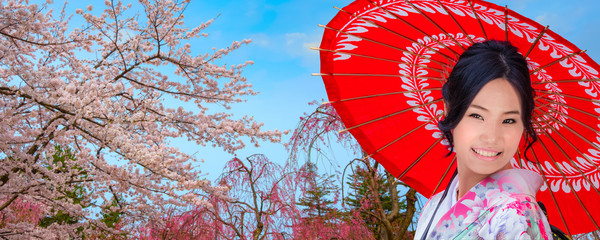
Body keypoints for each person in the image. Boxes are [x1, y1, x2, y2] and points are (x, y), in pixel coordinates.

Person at [413, 40, 553, 239]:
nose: (491, 137)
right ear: (448, 109)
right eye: (477, 116)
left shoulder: (515, 215)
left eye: (509, 120)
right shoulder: (434, 206)